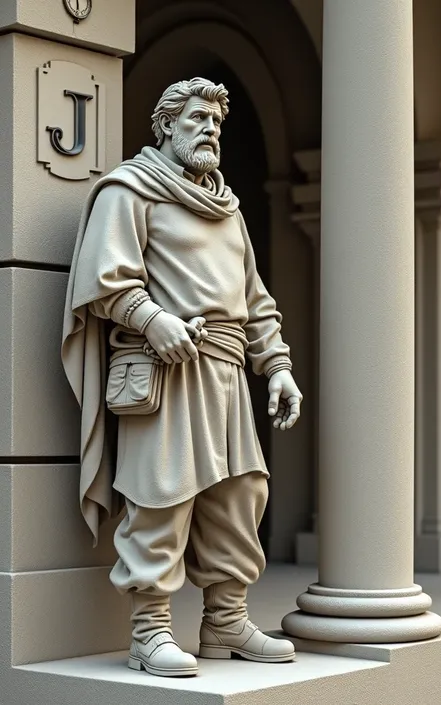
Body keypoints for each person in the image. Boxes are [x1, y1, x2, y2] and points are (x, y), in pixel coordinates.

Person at [62, 77, 302, 678]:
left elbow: (256, 301)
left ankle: (225, 622)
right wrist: (151, 320)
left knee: (240, 495)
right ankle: (150, 632)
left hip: (226, 373)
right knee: (162, 495)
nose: (210, 130)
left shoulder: (228, 208)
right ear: (166, 125)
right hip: (167, 370)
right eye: (197, 118)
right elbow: (105, 277)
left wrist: (276, 366)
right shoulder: (131, 190)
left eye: (216, 122)